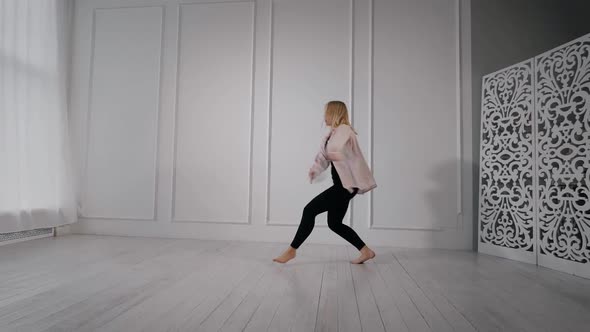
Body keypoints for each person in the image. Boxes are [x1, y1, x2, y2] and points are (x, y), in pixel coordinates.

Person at [273, 101, 377, 264]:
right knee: (335, 223)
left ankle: (292, 250)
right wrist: (315, 169)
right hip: (343, 186)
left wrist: (321, 163)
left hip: (345, 186)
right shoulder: (334, 133)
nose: (324, 116)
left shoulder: (344, 131)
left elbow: (335, 153)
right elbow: (324, 155)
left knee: (309, 210)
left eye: (326, 113)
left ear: (334, 113)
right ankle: (366, 251)